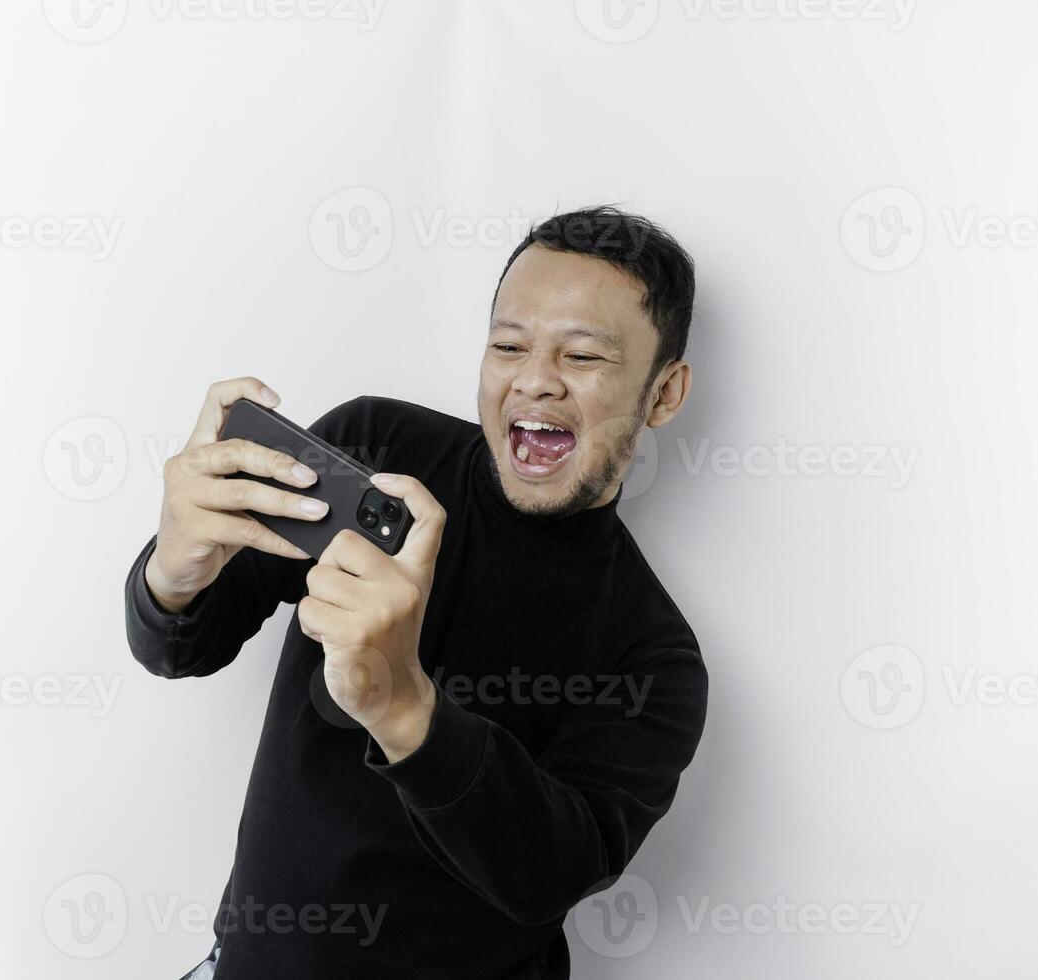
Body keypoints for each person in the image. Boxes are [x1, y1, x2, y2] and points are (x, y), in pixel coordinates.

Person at [127, 206, 709, 979]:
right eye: (508, 345)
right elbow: (180, 647)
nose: (534, 379)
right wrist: (175, 568)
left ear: (663, 394)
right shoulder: (378, 449)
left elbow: (548, 874)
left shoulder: (656, 658)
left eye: (583, 356)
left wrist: (401, 701)